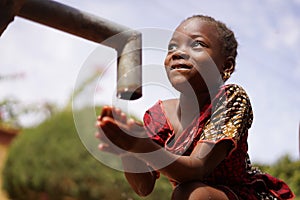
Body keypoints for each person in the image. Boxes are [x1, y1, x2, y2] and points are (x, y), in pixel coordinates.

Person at [96, 15, 295, 200]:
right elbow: (143, 187)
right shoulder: (158, 116)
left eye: (197, 44)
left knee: (190, 192)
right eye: (172, 46)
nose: (178, 52)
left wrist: (141, 145)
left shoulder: (230, 99)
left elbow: (196, 169)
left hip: (241, 195)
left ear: (226, 67)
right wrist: (128, 152)